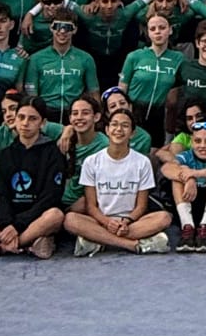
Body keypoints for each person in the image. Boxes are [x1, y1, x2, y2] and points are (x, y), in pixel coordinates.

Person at [0, 95, 67, 257]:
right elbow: (2, 195)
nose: (25, 123)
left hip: (38, 216)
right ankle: (27, 243)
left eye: (32, 119)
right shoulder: (6, 154)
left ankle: (3, 246)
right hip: (12, 217)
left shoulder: (52, 152)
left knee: (56, 216)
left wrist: (18, 225)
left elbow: (50, 197)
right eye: (21, 117)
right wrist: (7, 224)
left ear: (42, 123)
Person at [65, 105, 170, 255]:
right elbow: (91, 206)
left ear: (132, 133)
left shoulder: (142, 162)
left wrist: (126, 221)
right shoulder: (91, 161)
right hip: (101, 220)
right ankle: (132, 244)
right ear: (107, 130)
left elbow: (141, 206)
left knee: (164, 218)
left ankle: (99, 240)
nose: (119, 129)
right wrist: (108, 222)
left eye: (125, 126)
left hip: (131, 222)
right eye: (114, 125)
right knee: (70, 219)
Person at [160, 117, 206, 250]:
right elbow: (166, 168)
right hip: (186, 209)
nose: (202, 146)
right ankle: (187, 230)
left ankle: (204, 232)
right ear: (191, 142)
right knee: (178, 174)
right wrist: (189, 179)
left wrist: (196, 173)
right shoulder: (186, 156)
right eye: (197, 141)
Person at [120, 8, 185, 138]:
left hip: (160, 114)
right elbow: (122, 89)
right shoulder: (134, 56)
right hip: (135, 111)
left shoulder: (179, 58)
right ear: (148, 33)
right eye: (153, 29)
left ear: (170, 30)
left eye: (162, 28)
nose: (157, 32)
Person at [24, 15, 97, 126]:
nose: (62, 31)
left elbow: (94, 92)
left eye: (67, 27)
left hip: (75, 113)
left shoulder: (86, 58)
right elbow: (31, 93)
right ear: (51, 28)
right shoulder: (36, 58)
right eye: (57, 26)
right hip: (46, 112)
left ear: (75, 30)